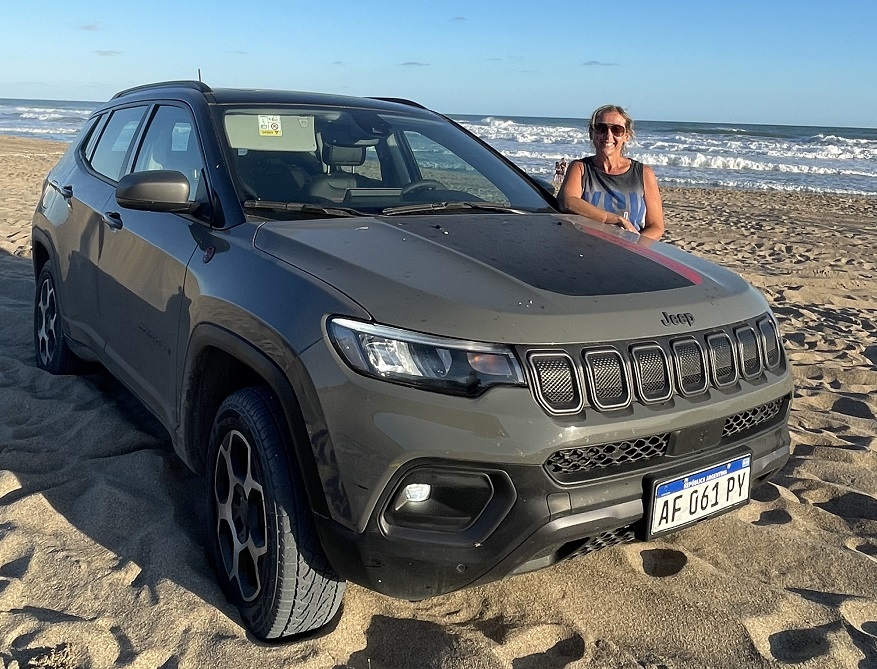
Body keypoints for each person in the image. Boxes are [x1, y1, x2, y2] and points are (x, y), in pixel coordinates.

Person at [557, 105, 664, 240]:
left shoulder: (643, 173)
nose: (608, 135)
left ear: (626, 136)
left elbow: (656, 226)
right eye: (601, 128)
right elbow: (567, 201)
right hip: (587, 247)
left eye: (616, 130)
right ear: (592, 133)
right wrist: (614, 219)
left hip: (630, 251)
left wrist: (636, 246)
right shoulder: (580, 168)